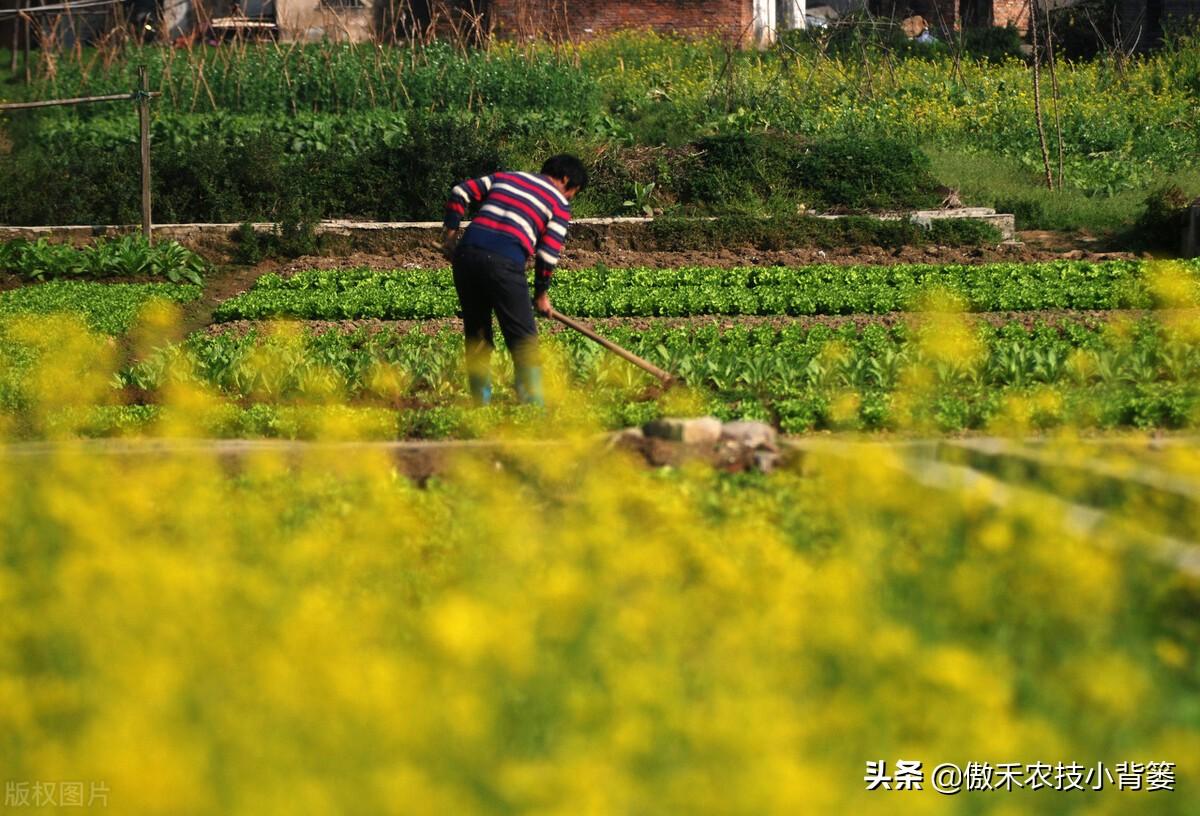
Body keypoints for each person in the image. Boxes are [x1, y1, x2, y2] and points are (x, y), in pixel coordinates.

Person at [441, 154, 588, 406]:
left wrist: (449, 238)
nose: (570, 198)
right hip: (504, 263)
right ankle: (533, 410)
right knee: (523, 340)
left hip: (466, 257)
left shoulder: (508, 177)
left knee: (477, 333)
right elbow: (547, 254)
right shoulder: (558, 204)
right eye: (573, 191)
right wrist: (541, 295)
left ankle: (481, 406)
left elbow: (459, 192)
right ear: (565, 179)